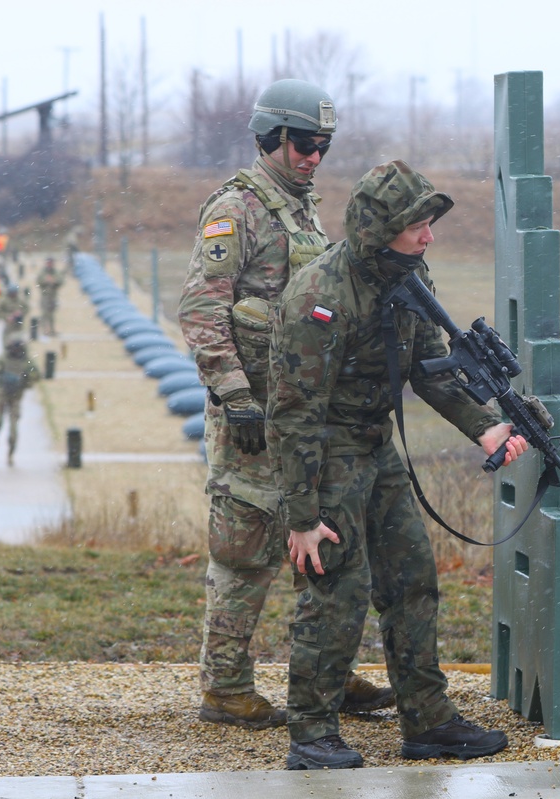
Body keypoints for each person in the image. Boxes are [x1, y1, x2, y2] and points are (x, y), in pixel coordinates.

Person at [267, 160, 529, 770]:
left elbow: (429, 369)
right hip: (326, 452)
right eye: (418, 224)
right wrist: (302, 516)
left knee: (412, 578)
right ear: (379, 228)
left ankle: (427, 720)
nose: (428, 235)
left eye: (430, 223)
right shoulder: (320, 296)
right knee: (337, 590)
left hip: (375, 447)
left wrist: (485, 427)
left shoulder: (408, 277)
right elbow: (294, 414)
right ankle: (311, 733)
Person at [177, 78, 391, 731]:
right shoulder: (237, 210)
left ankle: (324, 669)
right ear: (270, 137)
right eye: (302, 143)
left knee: (323, 537)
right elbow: (202, 310)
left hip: (304, 414)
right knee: (245, 547)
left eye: (323, 145)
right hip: (252, 416)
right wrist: (237, 397)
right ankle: (226, 688)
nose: (313, 156)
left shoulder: (302, 210)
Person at [0, 337, 42, 467]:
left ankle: (8, 455)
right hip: (3, 397)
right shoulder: (12, 358)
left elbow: (36, 375)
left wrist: (25, 380)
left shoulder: (23, 361)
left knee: (8, 426)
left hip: (12, 398)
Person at [36, 257, 66, 336]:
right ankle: (44, 330)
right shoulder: (43, 272)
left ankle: (52, 330)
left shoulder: (56, 272)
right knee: (44, 313)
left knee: (52, 314)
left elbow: (61, 280)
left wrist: (54, 280)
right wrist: (46, 280)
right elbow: (39, 281)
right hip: (45, 296)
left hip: (53, 296)